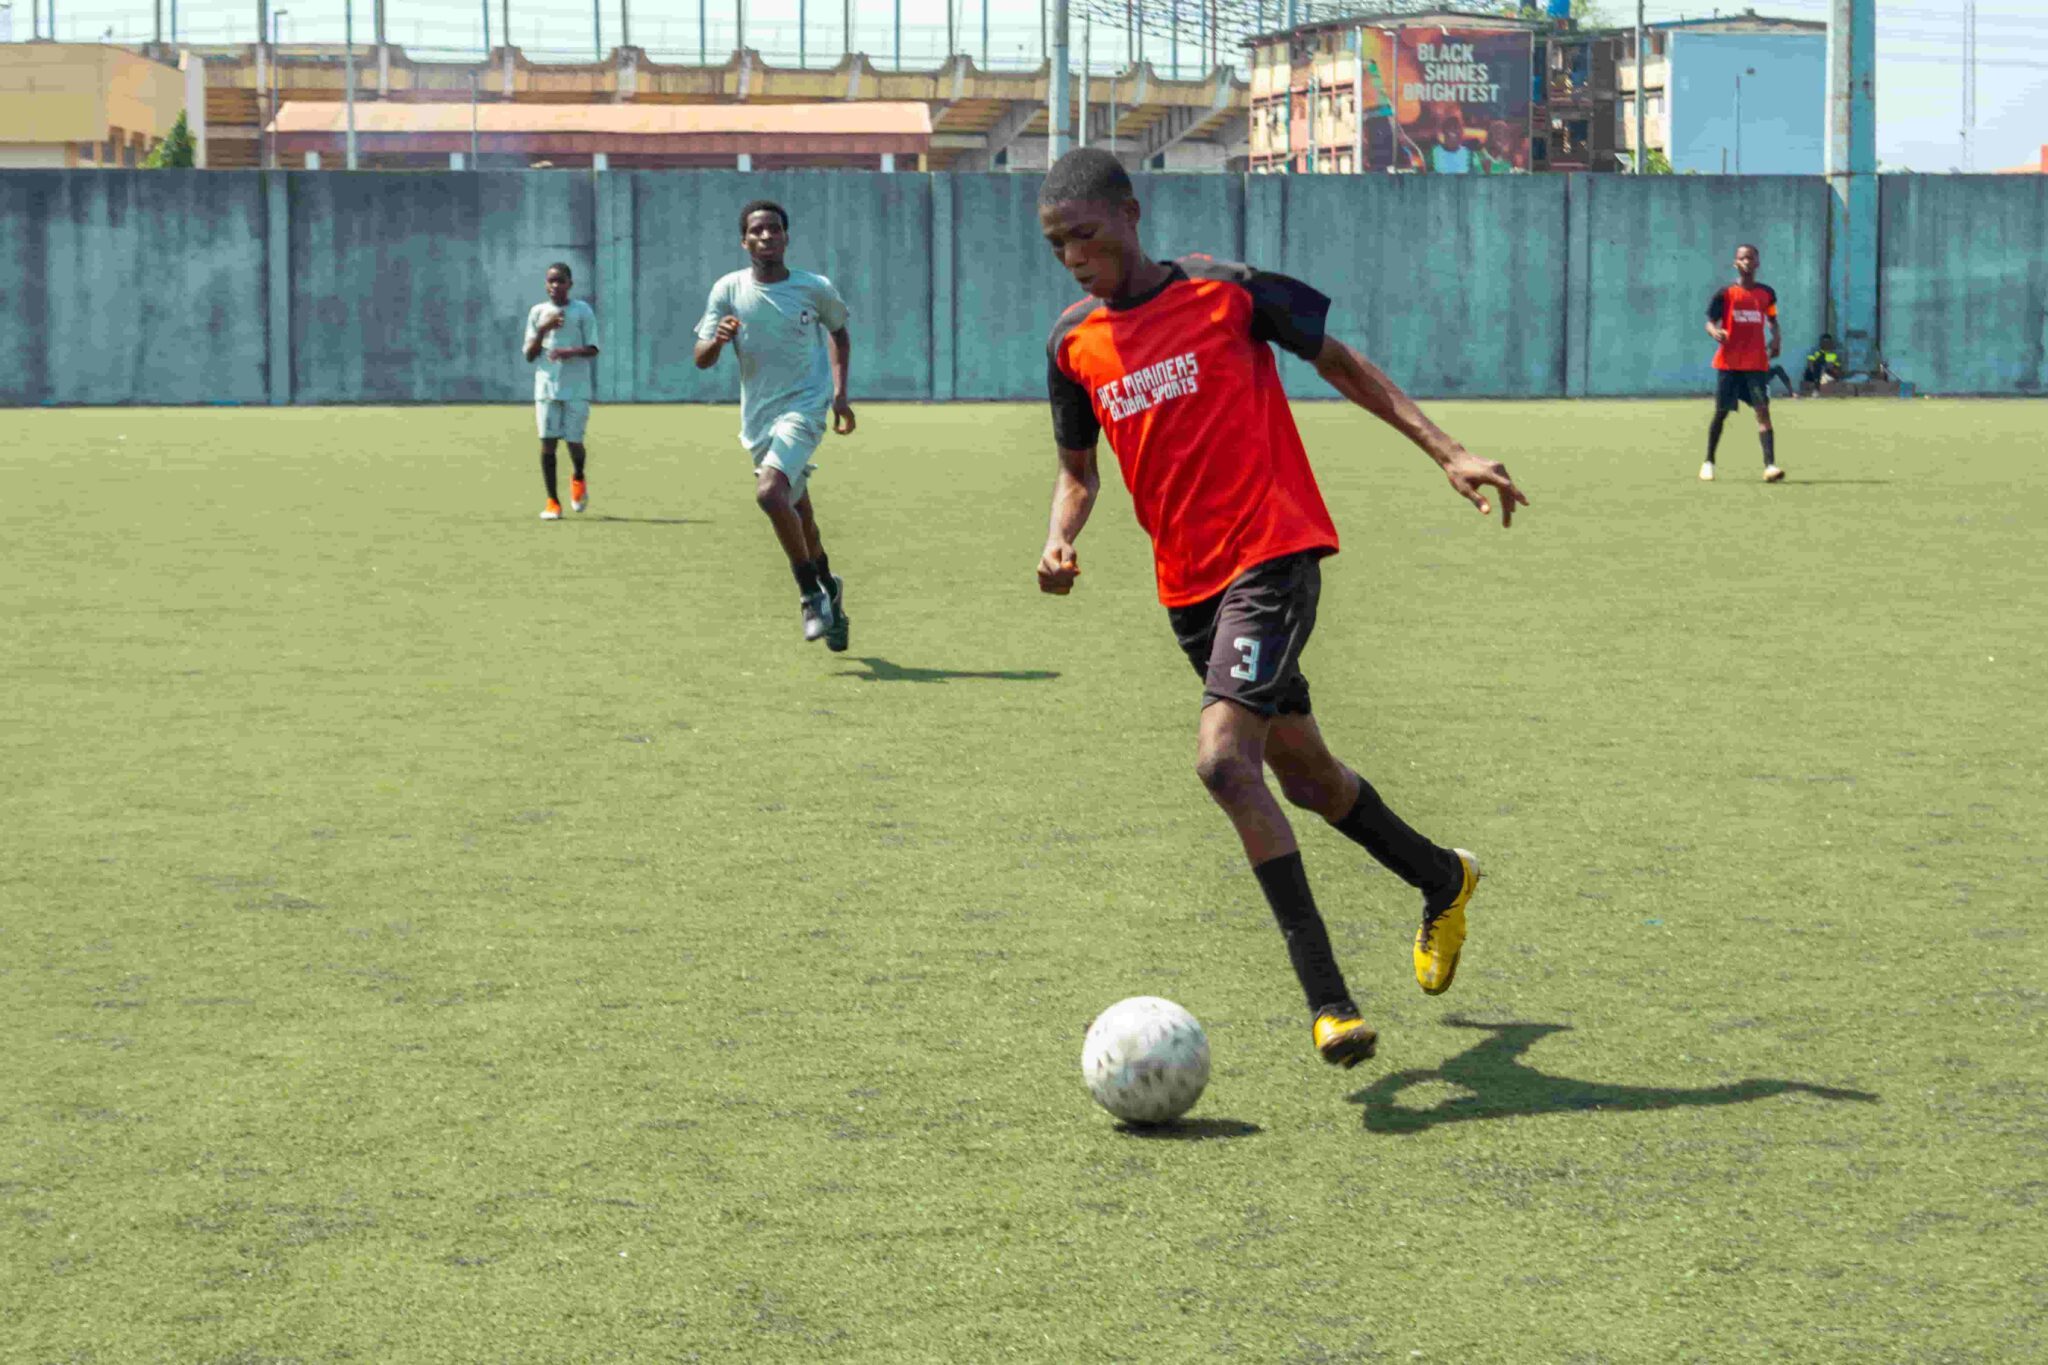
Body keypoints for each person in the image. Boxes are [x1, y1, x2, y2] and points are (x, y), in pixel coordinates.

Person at [1034, 149, 1529, 1071]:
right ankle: (1441, 875)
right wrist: (1061, 536)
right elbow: (1077, 471)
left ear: (1132, 215)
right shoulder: (1072, 342)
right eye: (1057, 243)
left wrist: (1447, 451)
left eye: (1086, 235)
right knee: (1306, 779)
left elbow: (1340, 362)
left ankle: (1329, 1002)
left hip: (1273, 553)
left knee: (1225, 763)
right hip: (1188, 592)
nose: (1072, 255)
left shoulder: (1227, 292)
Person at [694, 200, 857, 651]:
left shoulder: (813, 288)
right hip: (759, 418)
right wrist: (718, 340)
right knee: (798, 513)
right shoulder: (728, 290)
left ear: (787, 237)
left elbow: (839, 332)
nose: (766, 237)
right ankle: (829, 587)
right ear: (743, 241)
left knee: (769, 493)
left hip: (805, 408)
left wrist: (840, 395)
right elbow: (701, 358)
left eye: (774, 229)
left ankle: (809, 596)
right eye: (757, 231)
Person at [523, 262, 600, 520]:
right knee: (547, 442)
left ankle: (578, 477)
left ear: (570, 284)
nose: (555, 285)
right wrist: (543, 329)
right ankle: (552, 501)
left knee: (574, 443)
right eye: (551, 281)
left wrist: (568, 351)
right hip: (546, 388)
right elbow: (530, 355)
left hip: (576, 388)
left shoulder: (582, 311)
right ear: (546, 284)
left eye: (560, 281)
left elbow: (593, 348)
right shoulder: (538, 312)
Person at [1703, 243, 1784, 483]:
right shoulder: (1725, 293)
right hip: (1728, 364)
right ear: (1735, 263)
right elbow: (1709, 321)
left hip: (1756, 364)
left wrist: (1777, 338)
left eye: (1751, 258)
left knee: (1763, 412)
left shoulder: (1767, 293)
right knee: (1721, 413)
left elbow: (1772, 319)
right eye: (1742, 258)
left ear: (1757, 263)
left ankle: (1770, 466)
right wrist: (1714, 332)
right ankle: (1709, 462)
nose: (1747, 261)